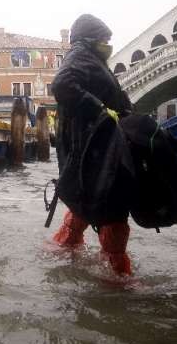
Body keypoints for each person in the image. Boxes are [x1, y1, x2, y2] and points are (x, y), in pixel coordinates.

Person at [51, 14, 134, 275]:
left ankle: (63, 250)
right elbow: (62, 85)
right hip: (95, 150)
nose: (108, 43)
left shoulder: (91, 58)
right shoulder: (80, 55)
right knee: (110, 207)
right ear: (90, 38)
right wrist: (100, 109)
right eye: (104, 39)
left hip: (96, 148)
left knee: (87, 200)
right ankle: (118, 277)